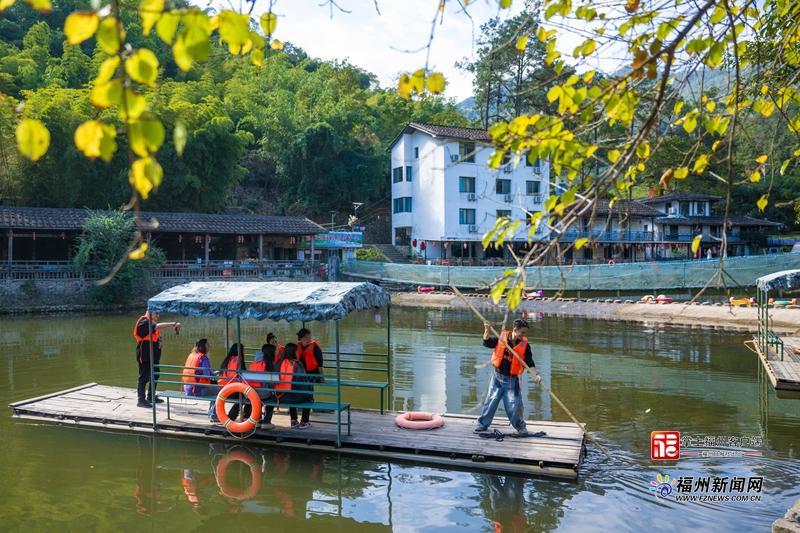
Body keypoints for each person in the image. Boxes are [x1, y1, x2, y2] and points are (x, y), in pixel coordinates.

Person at [475, 318, 540, 435]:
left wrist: (536, 375)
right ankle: (482, 424)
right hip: (497, 376)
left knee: (515, 404)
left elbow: (530, 363)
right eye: (523, 332)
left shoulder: (525, 346)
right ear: (515, 330)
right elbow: (487, 342)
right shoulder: (502, 338)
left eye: (525, 332)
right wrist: (487, 329)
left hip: (512, 380)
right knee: (491, 400)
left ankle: (520, 427)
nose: (524, 335)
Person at [133, 310, 181, 408]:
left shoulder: (150, 322)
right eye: (156, 314)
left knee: (155, 374)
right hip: (145, 354)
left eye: (158, 314)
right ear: (150, 312)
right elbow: (157, 327)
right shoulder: (144, 322)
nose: (158, 316)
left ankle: (151, 396)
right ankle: (141, 400)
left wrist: (159, 341)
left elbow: (154, 334)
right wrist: (173, 324)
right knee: (144, 377)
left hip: (153, 354)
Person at [262, 343, 312, 429]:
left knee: (291, 391)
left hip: (280, 397)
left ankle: (293, 420)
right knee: (309, 395)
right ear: (294, 352)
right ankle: (304, 421)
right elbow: (302, 383)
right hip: (294, 397)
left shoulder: (278, 364)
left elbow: (272, 382)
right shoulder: (297, 364)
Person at [182, 338, 217, 421]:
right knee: (220, 392)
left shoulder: (191, 355)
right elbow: (207, 376)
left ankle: (212, 413)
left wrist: (215, 373)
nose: (209, 346)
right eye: (207, 345)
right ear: (204, 347)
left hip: (187, 389)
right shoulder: (204, 358)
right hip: (198, 390)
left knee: (214, 388)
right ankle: (213, 415)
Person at [296, 328, 323, 428]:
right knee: (307, 397)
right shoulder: (297, 347)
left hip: (310, 377)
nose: (308, 339)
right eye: (306, 337)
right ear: (300, 338)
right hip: (301, 377)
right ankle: (301, 421)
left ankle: (300, 420)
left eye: (309, 337)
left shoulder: (315, 348)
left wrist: (321, 377)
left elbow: (320, 364)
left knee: (307, 396)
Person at [218, 343, 247, 421]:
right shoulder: (239, 360)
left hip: (222, 389)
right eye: (243, 350)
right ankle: (235, 416)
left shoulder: (227, 359)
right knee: (246, 397)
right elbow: (244, 375)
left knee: (243, 396)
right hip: (231, 391)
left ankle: (233, 416)